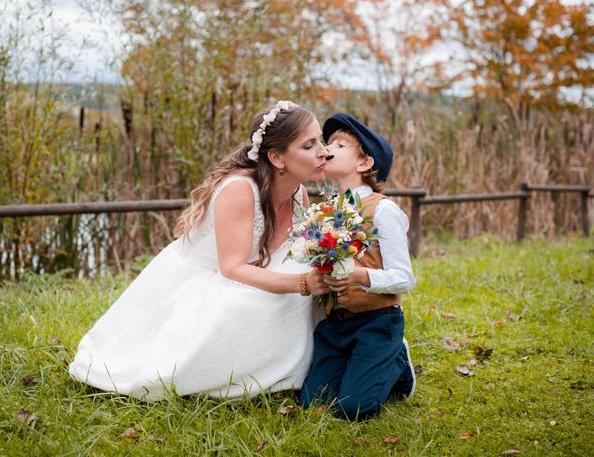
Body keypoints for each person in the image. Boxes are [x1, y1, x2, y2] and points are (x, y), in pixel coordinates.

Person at [69, 101, 331, 400]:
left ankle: (303, 368)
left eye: (320, 140)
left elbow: (291, 252)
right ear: (276, 157)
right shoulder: (240, 190)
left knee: (305, 288)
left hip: (255, 269)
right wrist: (300, 284)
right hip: (202, 281)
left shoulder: (298, 192)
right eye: (309, 145)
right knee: (263, 302)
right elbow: (232, 268)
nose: (324, 150)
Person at [300, 113, 416, 420]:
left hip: (376, 321)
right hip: (334, 324)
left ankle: (398, 363)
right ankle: (356, 366)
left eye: (339, 144)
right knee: (312, 403)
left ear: (364, 164)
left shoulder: (383, 209)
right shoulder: (325, 213)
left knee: (354, 409)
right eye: (328, 143)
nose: (326, 148)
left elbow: (404, 278)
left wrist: (359, 275)